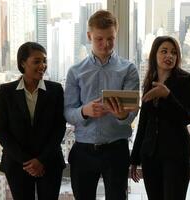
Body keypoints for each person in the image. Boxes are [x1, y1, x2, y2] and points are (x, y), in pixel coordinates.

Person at [64, 10, 139, 200]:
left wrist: (122, 115)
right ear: (89, 36)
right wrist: (84, 111)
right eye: (99, 39)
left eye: (110, 39)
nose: (105, 44)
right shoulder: (75, 72)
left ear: (116, 35)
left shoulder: (129, 70)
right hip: (83, 151)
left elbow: (132, 113)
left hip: (116, 149)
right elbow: (67, 112)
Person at [0, 42, 66, 200]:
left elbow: (59, 128)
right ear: (22, 63)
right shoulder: (6, 92)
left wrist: (41, 160)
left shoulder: (56, 90)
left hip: (49, 163)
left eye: (44, 61)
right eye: (37, 61)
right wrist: (28, 162)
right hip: (17, 164)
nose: (42, 65)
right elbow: (1, 130)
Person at [130, 36, 190, 200]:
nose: (170, 56)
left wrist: (167, 95)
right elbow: (144, 123)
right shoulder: (149, 82)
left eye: (174, 52)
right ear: (154, 55)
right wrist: (134, 159)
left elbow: (186, 117)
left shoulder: (186, 80)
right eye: (164, 51)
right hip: (151, 156)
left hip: (176, 155)